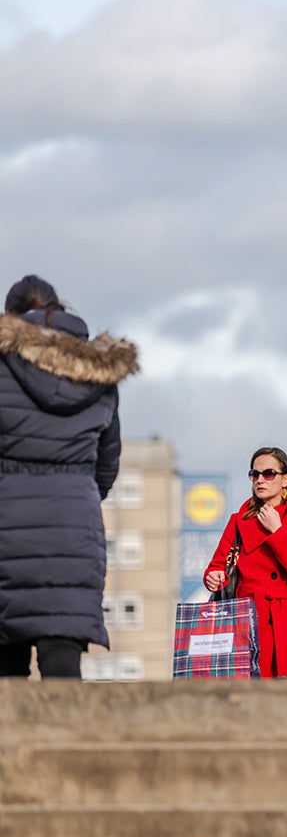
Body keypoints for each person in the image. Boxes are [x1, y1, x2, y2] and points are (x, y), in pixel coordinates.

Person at [0, 275, 137, 678]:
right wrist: (76, 494)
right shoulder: (99, 377)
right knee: (63, 662)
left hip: (7, 529)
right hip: (75, 532)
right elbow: (107, 464)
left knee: (6, 671)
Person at [202, 447, 287, 678]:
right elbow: (217, 566)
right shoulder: (238, 521)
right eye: (255, 474)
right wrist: (213, 577)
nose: (260, 480)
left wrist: (277, 531)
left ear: (285, 479)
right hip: (246, 620)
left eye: (268, 473)